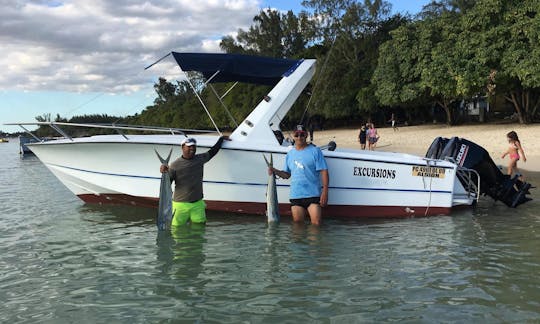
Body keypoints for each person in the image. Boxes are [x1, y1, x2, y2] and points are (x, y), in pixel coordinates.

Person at [160, 135, 228, 226]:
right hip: (180, 205)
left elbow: (213, 151)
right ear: (182, 147)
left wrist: (221, 140)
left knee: (200, 229)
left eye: (194, 146)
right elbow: (168, 184)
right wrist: (164, 172)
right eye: (189, 146)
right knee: (176, 231)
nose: (192, 148)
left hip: (198, 204)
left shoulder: (200, 159)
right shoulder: (174, 165)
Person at [270, 125, 329, 226]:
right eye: (297, 135)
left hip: (313, 195)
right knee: (298, 227)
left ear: (306, 135)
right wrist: (274, 171)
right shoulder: (290, 154)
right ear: (293, 136)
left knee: (317, 224)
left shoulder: (315, 151)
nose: (299, 137)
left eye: (302, 134)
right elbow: (287, 175)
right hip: (296, 195)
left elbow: (324, 171)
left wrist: (325, 191)